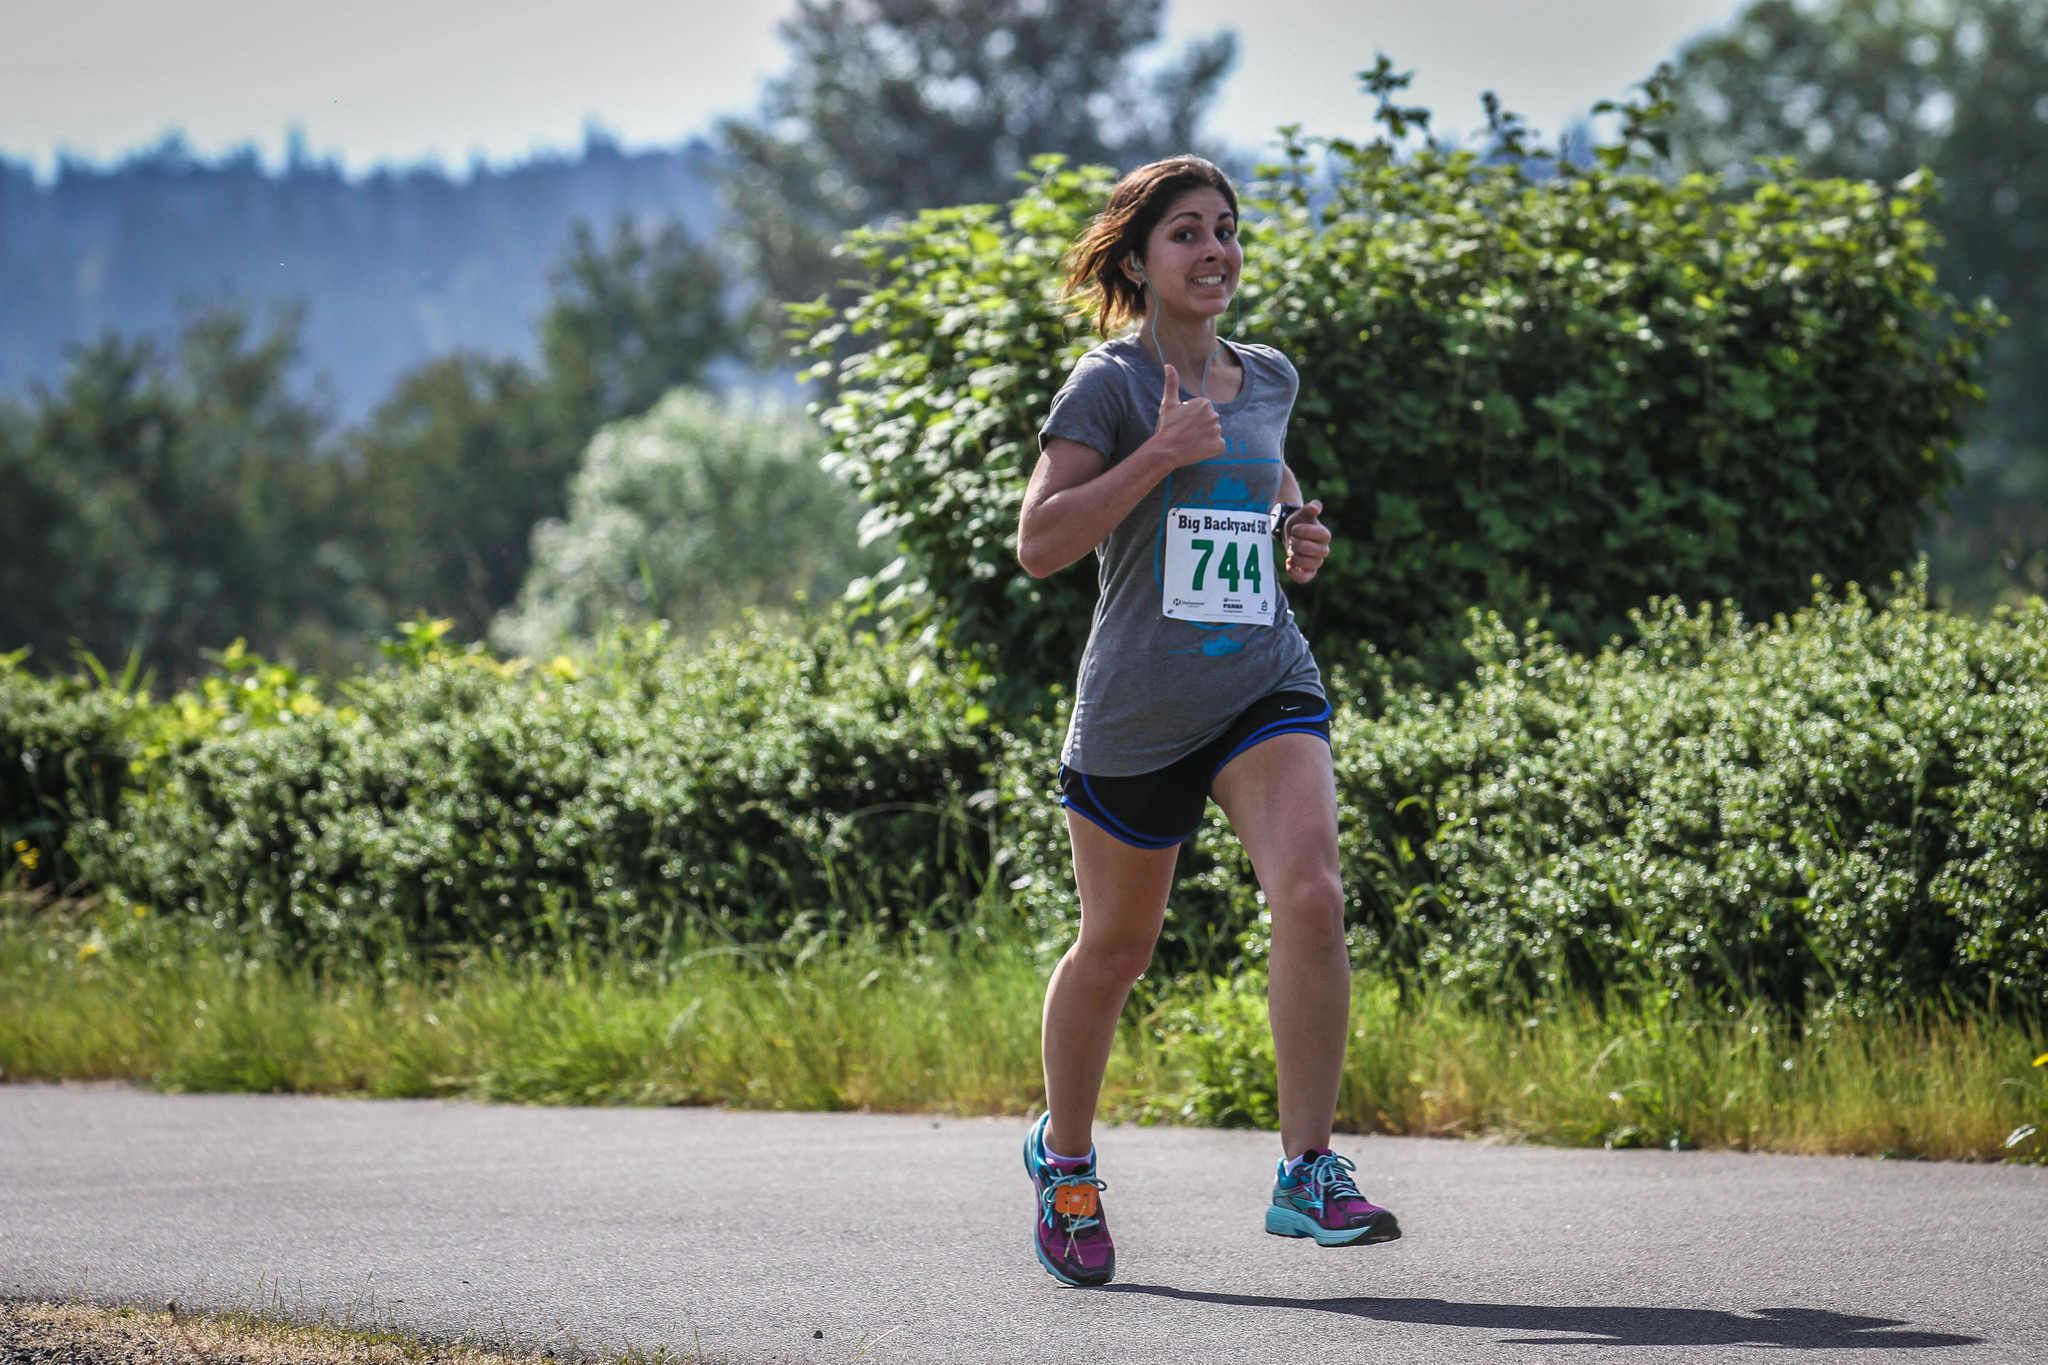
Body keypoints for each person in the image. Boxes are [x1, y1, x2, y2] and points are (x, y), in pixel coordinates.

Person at [1014, 155, 1401, 1287]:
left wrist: (1297, 532)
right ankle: (1066, 1161)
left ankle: (1306, 1171)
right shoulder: (1107, 387)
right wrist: (1155, 456)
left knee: (1313, 892)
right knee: (1117, 950)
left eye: (1225, 228)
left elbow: (1265, 484)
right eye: (1185, 232)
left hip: (1258, 683)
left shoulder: (1266, 375)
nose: (1213, 250)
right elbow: (1039, 545)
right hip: (1138, 712)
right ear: (1137, 261)